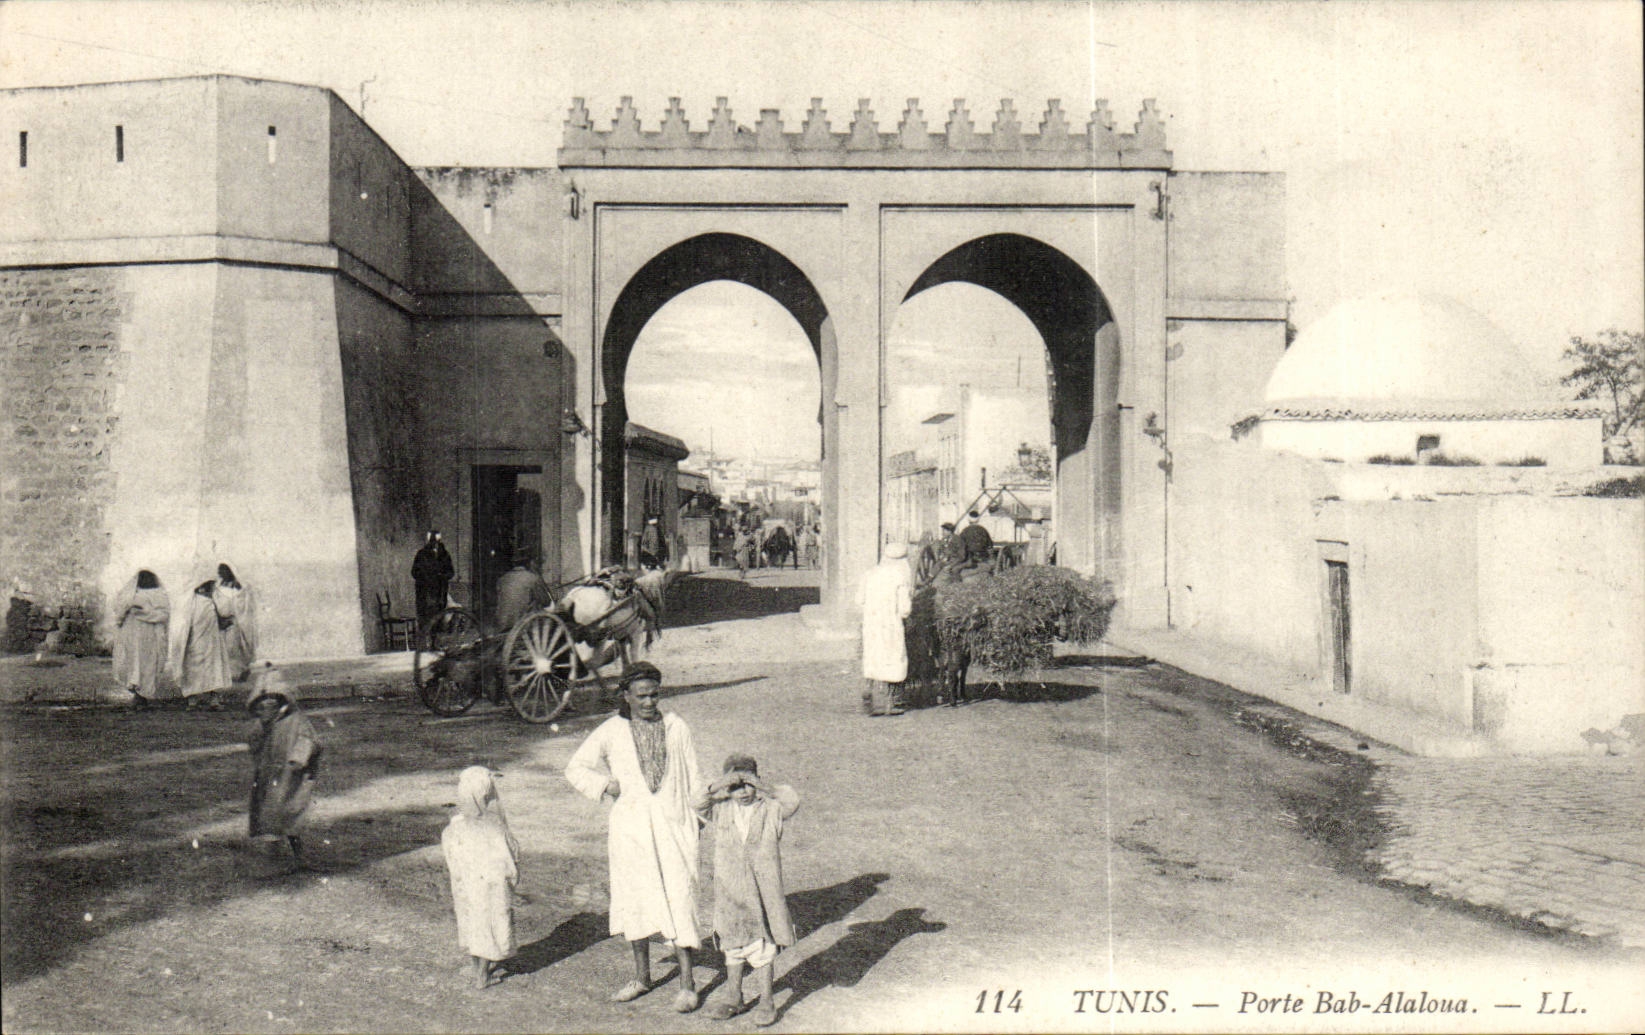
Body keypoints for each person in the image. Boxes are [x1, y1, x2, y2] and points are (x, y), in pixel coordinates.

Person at [565, 662, 704, 1013]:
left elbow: (694, 776)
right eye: (641, 695)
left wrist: (698, 817)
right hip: (630, 829)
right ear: (626, 696)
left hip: (673, 825)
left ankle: (688, 985)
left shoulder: (676, 727)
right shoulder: (612, 730)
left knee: (679, 896)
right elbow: (576, 767)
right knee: (634, 899)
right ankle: (642, 977)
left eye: (654, 694)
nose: (648, 702)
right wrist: (604, 784)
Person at [694, 754, 800, 1027]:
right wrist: (719, 784)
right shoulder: (720, 809)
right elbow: (697, 802)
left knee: (762, 944)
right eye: (736, 786)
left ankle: (766, 1001)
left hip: (761, 889)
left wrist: (762, 784)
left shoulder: (770, 809)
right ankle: (734, 997)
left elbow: (792, 801)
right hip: (730, 890)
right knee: (733, 944)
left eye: (748, 785)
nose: (742, 792)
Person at [441, 766, 520, 989]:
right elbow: (510, 856)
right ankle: (482, 976)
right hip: (489, 885)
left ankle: (476, 968)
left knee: (471, 923)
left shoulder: (454, 827)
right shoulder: (494, 825)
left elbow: (451, 857)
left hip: (466, 885)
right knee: (489, 925)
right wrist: (511, 878)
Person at [245, 664, 322, 870]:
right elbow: (254, 743)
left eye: (271, 700)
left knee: (290, 815)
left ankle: (298, 857)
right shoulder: (261, 725)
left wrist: (299, 758)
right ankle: (274, 858)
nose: (266, 706)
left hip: (290, 777)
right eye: (261, 703)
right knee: (269, 816)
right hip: (268, 776)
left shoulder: (296, 721)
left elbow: (309, 740)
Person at [858, 542, 913, 716]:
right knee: (893, 658)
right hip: (890, 624)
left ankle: (868, 692)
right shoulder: (899, 577)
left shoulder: (869, 573)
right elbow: (905, 608)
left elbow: (859, 600)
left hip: (871, 623)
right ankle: (891, 703)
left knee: (872, 657)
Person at [169, 578, 232, 710]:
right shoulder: (190, 602)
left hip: (212, 643)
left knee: (212, 669)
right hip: (195, 642)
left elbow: (226, 611)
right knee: (194, 669)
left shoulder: (213, 602)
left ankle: (213, 700)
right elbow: (182, 625)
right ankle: (193, 701)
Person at [112, 569, 170, 709]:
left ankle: (140, 696)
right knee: (143, 664)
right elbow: (163, 615)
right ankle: (140, 696)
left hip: (140, 634)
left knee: (140, 663)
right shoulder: (157, 595)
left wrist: (141, 612)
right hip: (142, 634)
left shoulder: (134, 595)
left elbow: (119, 615)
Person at [213, 563, 257, 682]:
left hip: (234, 622)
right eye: (219, 571)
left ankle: (241, 671)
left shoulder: (239, 587)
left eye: (222, 570)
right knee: (224, 649)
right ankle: (227, 675)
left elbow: (242, 603)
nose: (220, 573)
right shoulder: (217, 587)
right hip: (222, 622)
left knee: (234, 649)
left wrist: (234, 617)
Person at [494, 551, 552, 633]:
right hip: (523, 623)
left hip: (502, 623)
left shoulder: (502, 579)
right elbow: (546, 602)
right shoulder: (532, 578)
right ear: (527, 564)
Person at [412, 530, 455, 632]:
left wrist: (441, 576)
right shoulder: (421, 555)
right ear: (428, 541)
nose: (434, 544)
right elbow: (414, 572)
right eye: (432, 541)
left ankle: (435, 642)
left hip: (440, 593)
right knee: (425, 618)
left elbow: (451, 572)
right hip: (425, 593)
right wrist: (425, 577)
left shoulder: (444, 555)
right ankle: (425, 642)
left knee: (438, 617)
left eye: (436, 541)